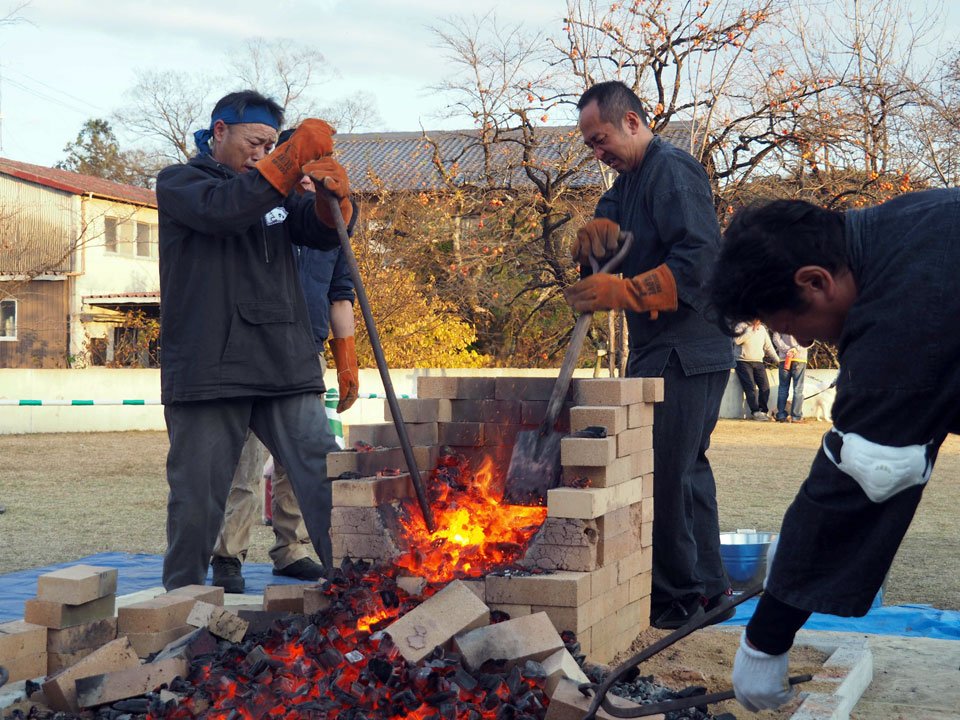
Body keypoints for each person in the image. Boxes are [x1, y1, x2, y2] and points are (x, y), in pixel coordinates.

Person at [709, 189, 960, 711]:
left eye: (786, 327)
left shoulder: (907, 301)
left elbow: (869, 470)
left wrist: (766, 639)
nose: (796, 339)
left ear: (815, 281)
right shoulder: (903, 225)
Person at [156, 89, 354, 590]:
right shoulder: (181, 183)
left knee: (321, 470)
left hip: (284, 361)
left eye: (272, 145)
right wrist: (290, 158)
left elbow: (320, 232)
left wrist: (337, 201)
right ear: (219, 131)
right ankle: (176, 608)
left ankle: (358, 589)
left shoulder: (277, 190)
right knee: (197, 497)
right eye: (255, 141)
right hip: (209, 368)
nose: (263, 153)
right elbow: (225, 211)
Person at [564, 80, 735, 630]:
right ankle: (709, 592)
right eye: (591, 145)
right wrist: (589, 247)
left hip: (689, 347)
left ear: (633, 122)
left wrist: (629, 293)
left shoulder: (672, 169)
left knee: (663, 472)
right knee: (686, 472)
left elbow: (702, 259)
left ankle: (679, 599)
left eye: (602, 138)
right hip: (661, 350)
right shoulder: (626, 183)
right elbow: (603, 251)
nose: (598, 152)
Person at [211, 165, 360, 593]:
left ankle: (291, 549)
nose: (311, 185)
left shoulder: (331, 225)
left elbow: (340, 294)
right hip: (249, 351)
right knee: (244, 457)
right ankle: (228, 554)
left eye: (321, 179)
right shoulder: (264, 218)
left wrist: (347, 360)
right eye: (304, 176)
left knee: (303, 463)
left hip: (305, 353)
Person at [733, 319, 779, 421]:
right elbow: (736, 340)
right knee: (750, 387)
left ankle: (763, 411)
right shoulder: (741, 325)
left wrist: (777, 360)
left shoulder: (762, 329)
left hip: (758, 361)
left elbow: (768, 346)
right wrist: (750, 331)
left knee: (765, 387)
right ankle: (755, 412)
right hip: (742, 361)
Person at [771, 332, 809, 423]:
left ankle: (781, 415)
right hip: (800, 358)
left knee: (783, 388)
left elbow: (775, 338)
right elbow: (809, 340)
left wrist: (787, 350)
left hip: (785, 359)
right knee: (798, 388)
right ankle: (796, 416)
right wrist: (796, 349)